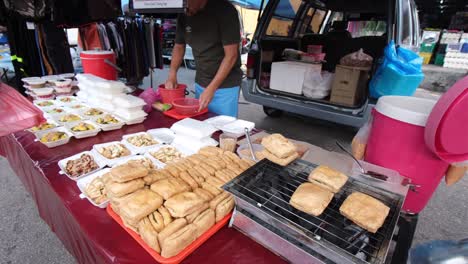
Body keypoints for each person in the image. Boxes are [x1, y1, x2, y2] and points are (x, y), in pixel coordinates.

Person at [165, 0, 242, 117]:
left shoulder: (225, 11)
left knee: (223, 130)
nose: (184, 9)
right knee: (202, 124)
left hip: (225, 87)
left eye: (186, 3)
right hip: (201, 83)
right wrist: (172, 74)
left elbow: (231, 55)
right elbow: (179, 46)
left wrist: (212, 88)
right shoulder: (184, 13)